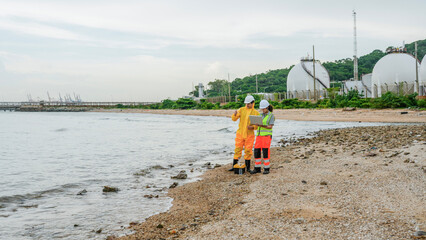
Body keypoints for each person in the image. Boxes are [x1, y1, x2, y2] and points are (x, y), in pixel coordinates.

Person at [229, 95, 259, 173]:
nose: (247, 105)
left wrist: (252, 127)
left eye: (249, 103)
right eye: (246, 103)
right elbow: (234, 119)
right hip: (240, 134)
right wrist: (234, 114)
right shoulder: (241, 110)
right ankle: (234, 166)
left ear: (253, 103)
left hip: (249, 135)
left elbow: (258, 125)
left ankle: (248, 168)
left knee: (248, 150)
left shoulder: (256, 113)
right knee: (237, 149)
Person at [250, 99, 275, 175]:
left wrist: (262, 125)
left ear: (267, 107)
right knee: (256, 151)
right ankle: (257, 168)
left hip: (266, 136)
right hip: (259, 136)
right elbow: (257, 126)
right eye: (262, 109)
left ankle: (266, 168)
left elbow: (270, 127)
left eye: (263, 109)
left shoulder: (271, 116)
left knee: (265, 152)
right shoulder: (260, 115)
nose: (262, 110)